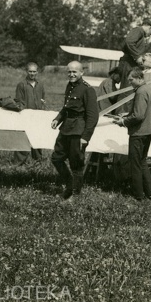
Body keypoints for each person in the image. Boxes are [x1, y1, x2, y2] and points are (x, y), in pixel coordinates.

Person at [51, 61, 99, 200]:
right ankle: (70, 185)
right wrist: (57, 119)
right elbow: (67, 108)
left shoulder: (87, 90)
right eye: (69, 72)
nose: (71, 74)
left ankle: (75, 195)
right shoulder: (70, 86)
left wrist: (86, 137)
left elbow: (93, 116)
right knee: (56, 158)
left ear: (81, 73)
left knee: (76, 164)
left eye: (74, 72)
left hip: (78, 131)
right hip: (65, 128)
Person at [114, 68, 151, 201]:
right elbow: (141, 112)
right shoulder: (148, 89)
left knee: (134, 164)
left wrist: (123, 121)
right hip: (147, 131)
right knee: (142, 162)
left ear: (140, 78)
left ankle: (138, 195)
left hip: (139, 133)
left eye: (131, 80)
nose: (130, 83)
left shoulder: (140, 92)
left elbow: (139, 115)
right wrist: (127, 114)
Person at [12, 62, 46, 163]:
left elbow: (42, 99)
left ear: (37, 72)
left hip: (37, 115)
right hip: (26, 116)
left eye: (34, 71)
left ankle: (38, 160)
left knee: (37, 137)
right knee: (23, 138)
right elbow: (18, 101)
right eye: (30, 71)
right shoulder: (21, 85)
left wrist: (42, 109)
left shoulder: (40, 85)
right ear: (27, 71)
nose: (32, 73)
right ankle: (18, 162)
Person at [117, 23, 151, 87]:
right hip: (128, 63)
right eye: (150, 33)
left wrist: (143, 55)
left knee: (131, 87)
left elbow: (134, 47)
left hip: (131, 63)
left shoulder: (140, 33)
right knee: (127, 88)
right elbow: (129, 42)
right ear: (149, 28)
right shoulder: (138, 30)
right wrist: (138, 56)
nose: (148, 36)